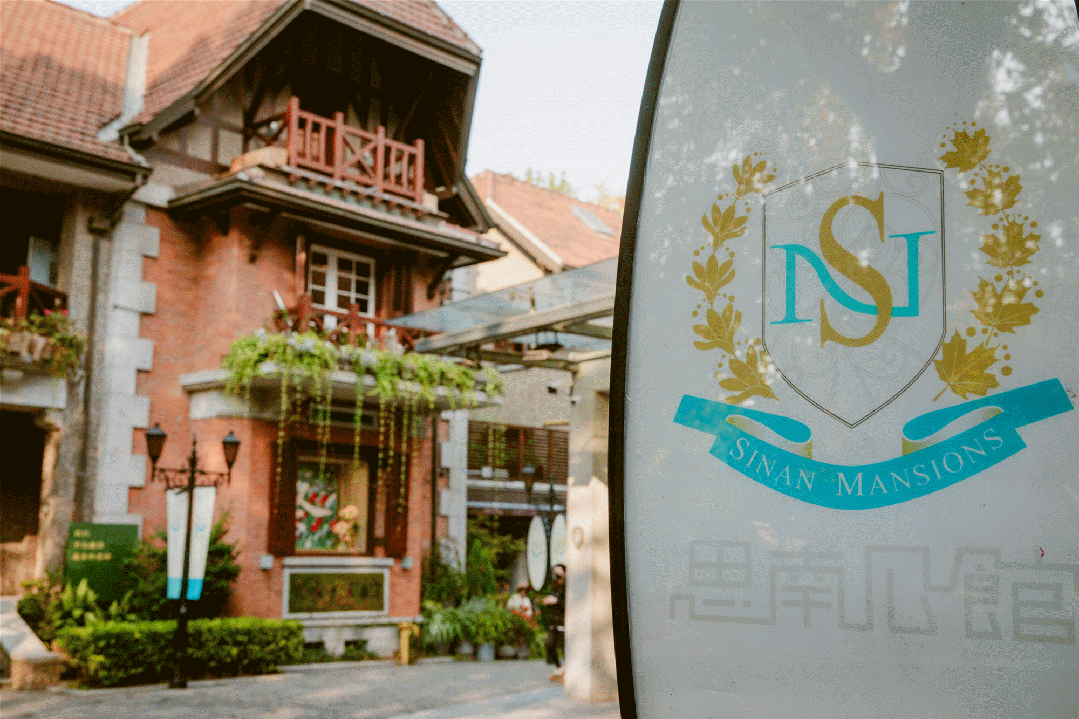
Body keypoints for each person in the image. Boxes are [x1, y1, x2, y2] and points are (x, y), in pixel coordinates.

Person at [541, 563, 566, 682]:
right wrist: (547, 601)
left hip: (563, 622)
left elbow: (566, 604)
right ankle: (559, 667)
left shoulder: (567, 587)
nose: (556, 575)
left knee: (564, 648)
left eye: (559, 573)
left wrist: (556, 601)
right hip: (553, 622)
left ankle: (567, 672)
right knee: (549, 644)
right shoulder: (554, 587)